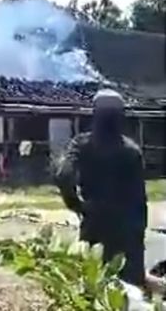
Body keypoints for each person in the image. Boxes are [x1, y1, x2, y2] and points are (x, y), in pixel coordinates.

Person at [55, 89, 148, 287]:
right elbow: (140, 200)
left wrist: (77, 205)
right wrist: (139, 235)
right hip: (127, 228)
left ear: (94, 114)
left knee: (94, 286)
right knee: (129, 290)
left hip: (95, 223)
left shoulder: (81, 144)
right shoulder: (131, 150)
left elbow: (63, 175)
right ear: (121, 116)